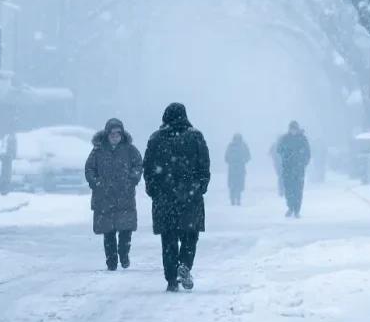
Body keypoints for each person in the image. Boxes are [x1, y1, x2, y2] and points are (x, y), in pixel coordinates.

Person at [143, 103, 211, 292]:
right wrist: (200, 187)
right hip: (190, 196)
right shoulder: (196, 136)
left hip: (165, 197)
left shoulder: (156, 138)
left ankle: (172, 279)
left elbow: (147, 167)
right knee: (190, 235)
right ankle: (185, 264)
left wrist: (153, 189)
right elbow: (204, 165)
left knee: (169, 239)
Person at [84, 118, 143, 271]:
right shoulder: (98, 151)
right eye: (112, 133)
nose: (115, 136)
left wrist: (132, 179)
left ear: (122, 134)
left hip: (125, 196)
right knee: (108, 232)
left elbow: (138, 164)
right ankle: (111, 260)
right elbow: (89, 168)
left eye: (118, 133)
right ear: (107, 134)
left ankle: (124, 254)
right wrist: (96, 183)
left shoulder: (130, 149)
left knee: (125, 230)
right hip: (104, 197)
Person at [276, 121, 311, 218]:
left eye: (294, 129)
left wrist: (303, 163)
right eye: (291, 129)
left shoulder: (302, 139)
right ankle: (290, 207)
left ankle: (297, 210)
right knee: (288, 189)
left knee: (298, 190)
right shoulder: (285, 139)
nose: (293, 131)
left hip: (299, 169)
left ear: (297, 129)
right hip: (287, 168)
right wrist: (286, 156)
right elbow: (279, 150)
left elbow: (308, 153)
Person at [224, 134, 251, 206]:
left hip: (232, 169)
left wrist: (231, 162)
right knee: (239, 184)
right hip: (240, 168)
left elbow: (226, 158)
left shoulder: (230, 146)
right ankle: (238, 199)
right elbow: (248, 157)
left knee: (233, 184)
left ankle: (233, 199)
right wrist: (243, 161)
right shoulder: (243, 146)